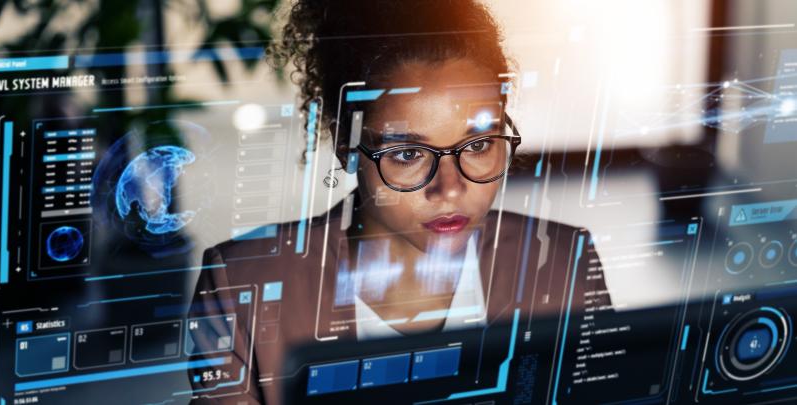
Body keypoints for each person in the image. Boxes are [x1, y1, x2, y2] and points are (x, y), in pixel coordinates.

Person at [189, 1, 609, 403]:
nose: (449, 188)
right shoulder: (243, 287)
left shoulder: (563, 265)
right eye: (407, 154)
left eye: (479, 143)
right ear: (347, 148)